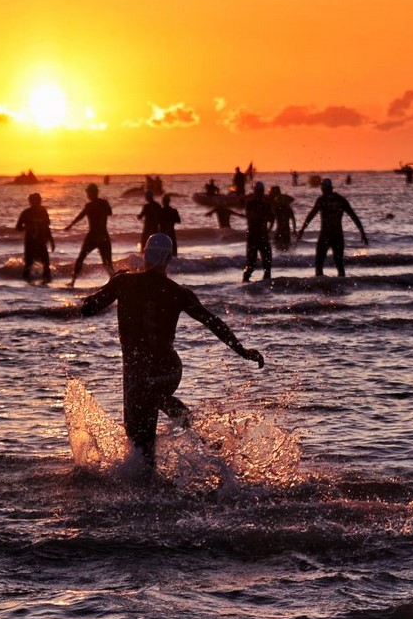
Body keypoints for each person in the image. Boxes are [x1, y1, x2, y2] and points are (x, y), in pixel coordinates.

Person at [76, 233, 264, 472]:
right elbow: (213, 322)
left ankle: (194, 431)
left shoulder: (124, 283)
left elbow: (87, 310)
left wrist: (110, 283)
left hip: (143, 373)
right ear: (168, 260)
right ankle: (196, 434)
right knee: (140, 445)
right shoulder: (178, 292)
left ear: (145, 255)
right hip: (167, 370)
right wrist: (242, 351)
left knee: (143, 427)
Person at [297, 177, 368, 277]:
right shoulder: (341, 200)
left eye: (322, 187)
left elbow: (311, 215)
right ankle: (341, 284)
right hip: (337, 235)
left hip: (325, 235)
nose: (321, 189)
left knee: (319, 262)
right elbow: (353, 216)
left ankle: (320, 285)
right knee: (339, 262)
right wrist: (362, 233)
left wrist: (302, 230)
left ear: (324, 188)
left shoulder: (322, 200)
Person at [64, 183, 115, 287]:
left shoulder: (90, 206)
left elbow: (80, 216)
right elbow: (110, 213)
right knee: (107, 262)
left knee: (81, 258)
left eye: (88, 193)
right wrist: (70, 225)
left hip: (93, 236)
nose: (87, 195)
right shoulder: (103, 203)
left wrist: (70, 225)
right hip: (103, 236)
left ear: (93, 193)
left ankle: (73, 281)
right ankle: (113, 281)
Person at [16, 192, 56, 282]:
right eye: (36, 201)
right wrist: (26, 227)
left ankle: (46, 285)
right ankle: (27, 285)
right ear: (31, 202)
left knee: (46, 264)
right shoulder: (25, 213)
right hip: (29, 242)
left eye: (39, 200)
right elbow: (18, 227)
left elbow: (47, 226)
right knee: (28, 264)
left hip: (41, 241)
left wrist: (51, 241)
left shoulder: (43, 211)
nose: (38, 202)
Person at [242, 182, 275, 282]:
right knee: (251, 263)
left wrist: (268, 230)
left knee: (267, 263)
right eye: (257, 191)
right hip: (253, 236)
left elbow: (272, 218)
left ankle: (266, 285)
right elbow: (251, 217)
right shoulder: (250, 204)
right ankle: (245, 282)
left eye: (260, 191)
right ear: (255, 191)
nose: (259, 193)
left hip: (263, 236)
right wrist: (263, 218)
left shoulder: (266, 204)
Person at [270, 186, 296, 251]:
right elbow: (293, 220)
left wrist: (269, 230)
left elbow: (272, 221)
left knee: (277, 248)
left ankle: (279, 260)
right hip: (287, 231)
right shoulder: (288, 209)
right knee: (286, 249)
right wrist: (294, 230)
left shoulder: (276, 209)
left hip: (279, 231)